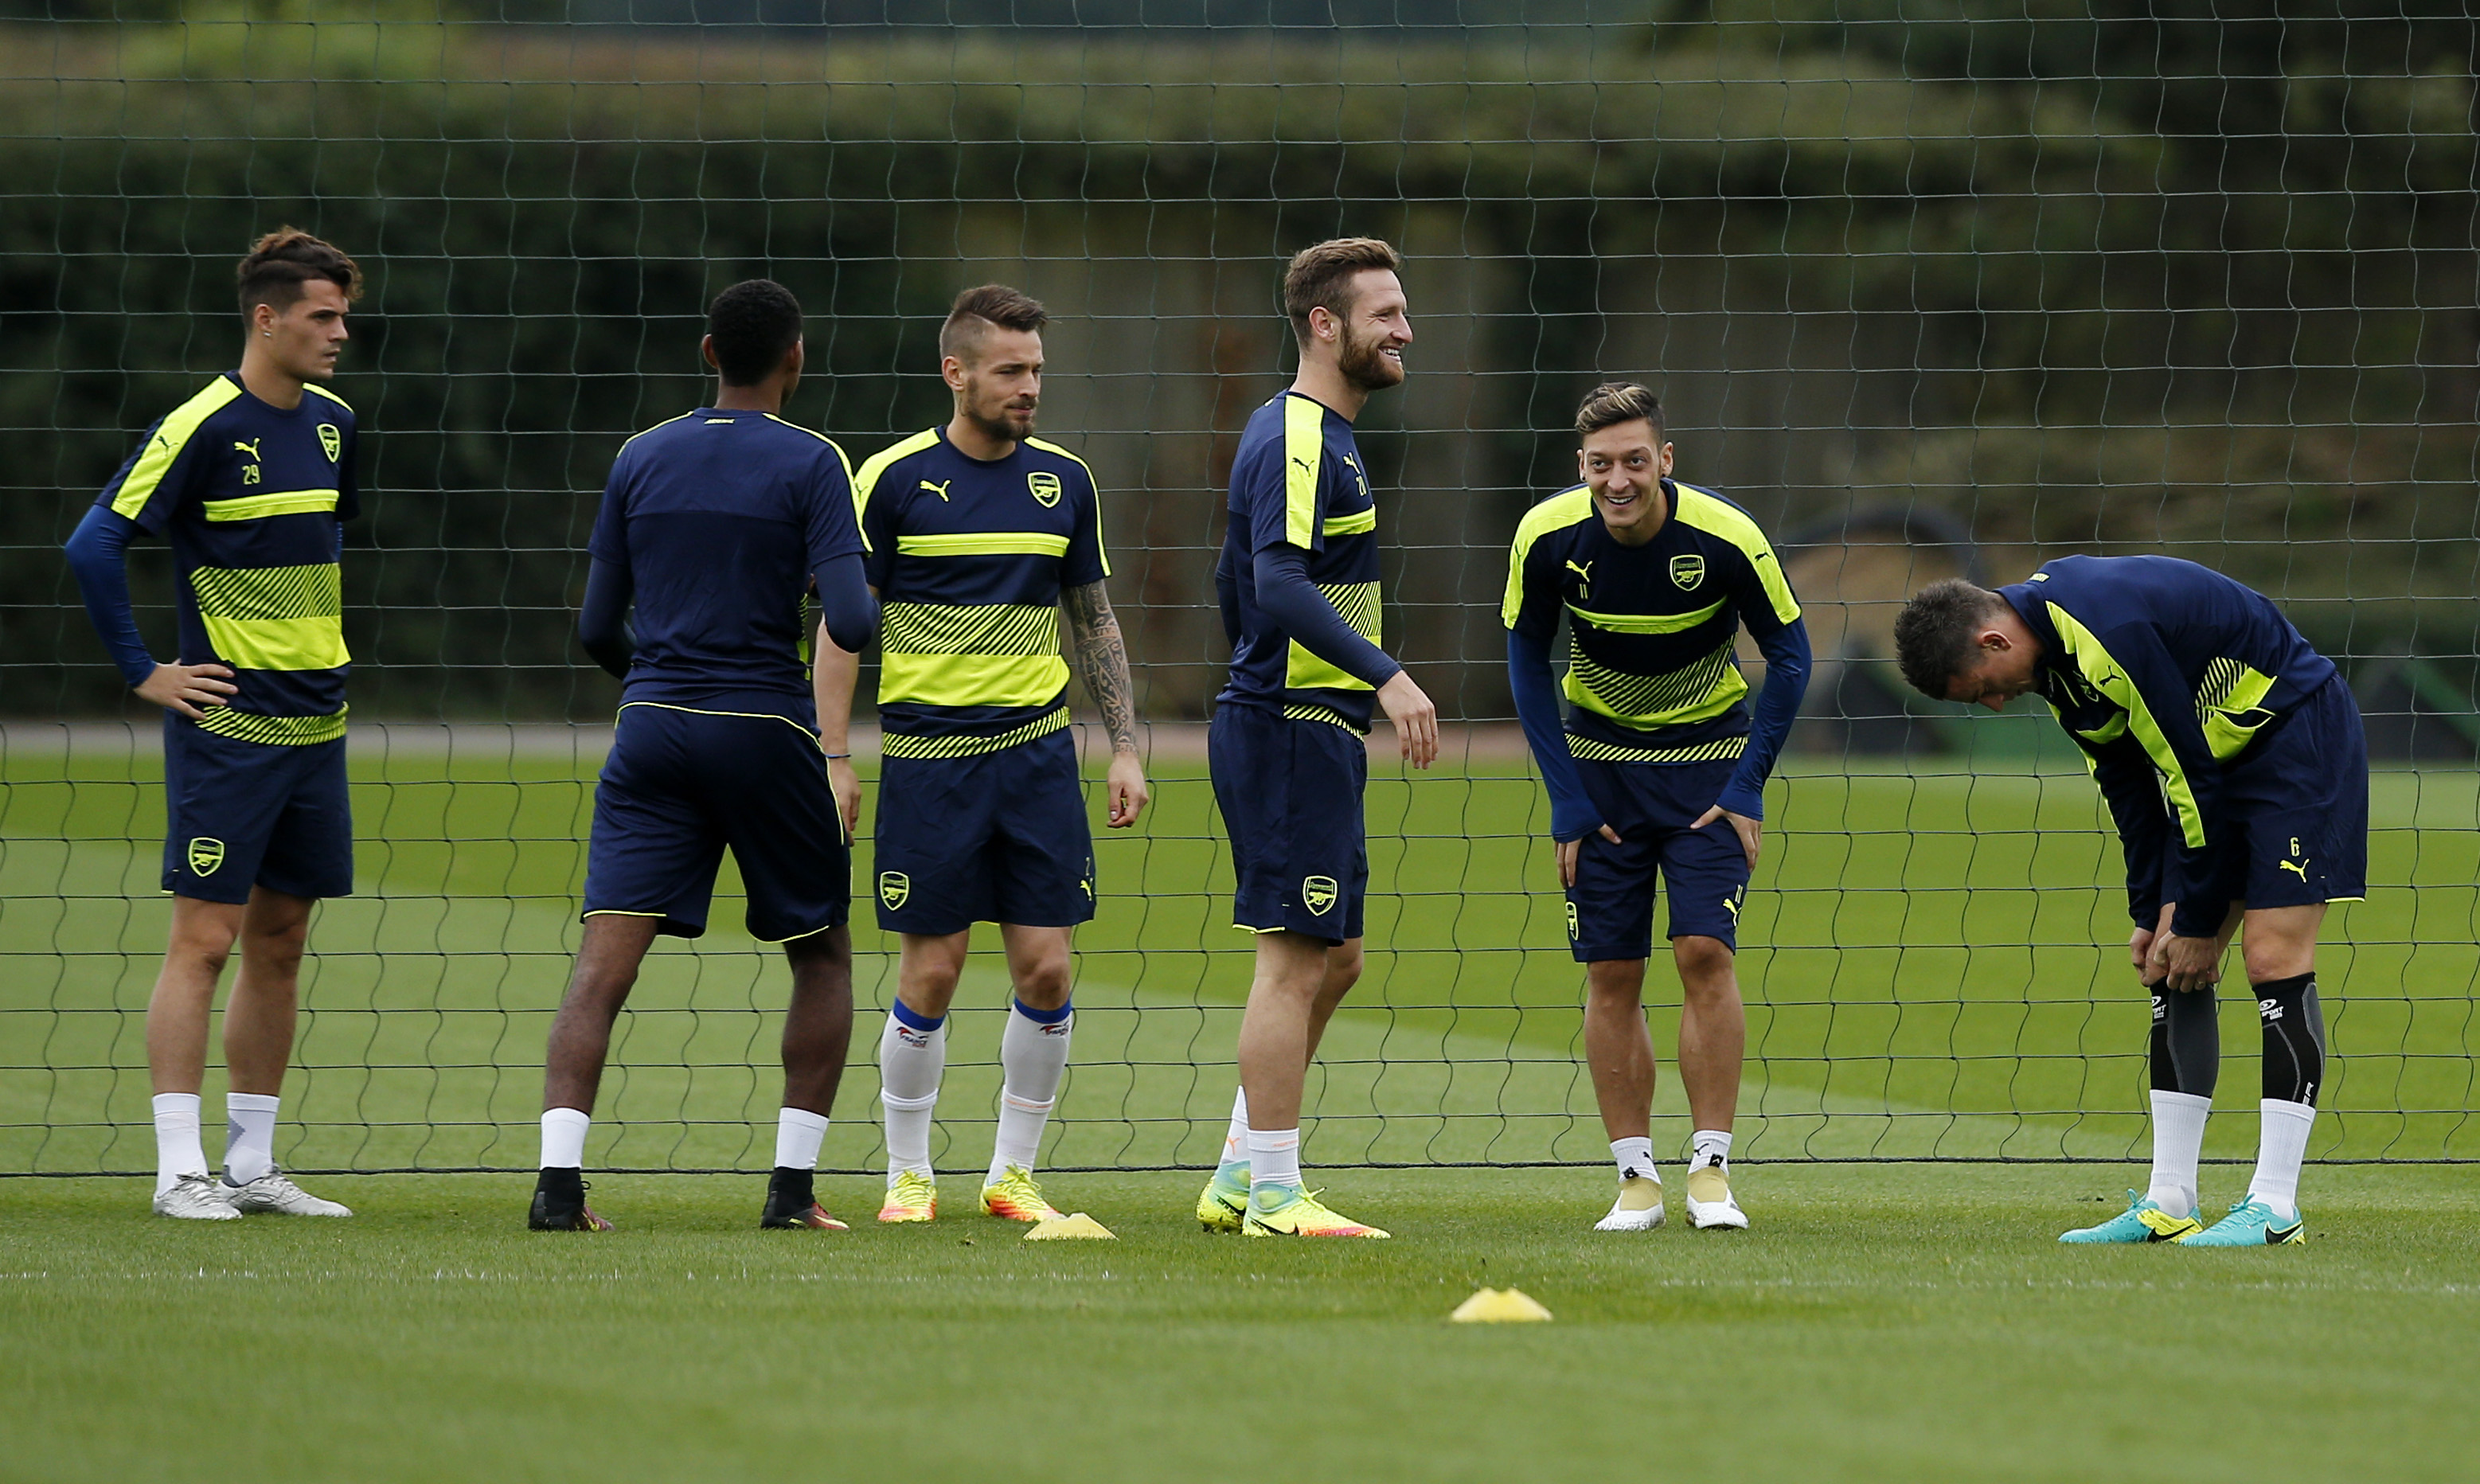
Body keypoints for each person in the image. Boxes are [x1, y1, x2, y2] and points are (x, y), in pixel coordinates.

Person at [529, 279, 879, 1232]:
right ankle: (790, 1192)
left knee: (604, 964)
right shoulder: (814, 462)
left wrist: (657, 679)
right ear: (795, 358)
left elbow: (598, 625)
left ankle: (558, 1190)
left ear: (706, 352)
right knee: (823, 954)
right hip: (765, 729)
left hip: (650, 727)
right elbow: (849, 618)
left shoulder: (640, 456)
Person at [1892, 556, 2361, 1246]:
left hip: (2293, 741)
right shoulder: (2055, 668)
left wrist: (2199, 918)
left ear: (1994, 642)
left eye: (1982, 691)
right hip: (2212, 761)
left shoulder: (2103, 630)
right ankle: (2169, 1200)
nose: (1994, 705)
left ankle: (2275, 1208)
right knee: (2167, 959)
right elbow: (2129, 789)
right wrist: (2154, 913)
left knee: (2269, 955)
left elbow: (2186, 772)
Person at [816, 283, 1149, 1226]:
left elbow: (1093, 618)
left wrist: (1124, 747)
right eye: (1010, 370)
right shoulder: (888, 480)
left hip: (1039, 758)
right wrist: (834, 755)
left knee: (1046, 970)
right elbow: (841, 633)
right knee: (931, 971)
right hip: (929, 762)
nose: (1029, 387)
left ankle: (1012, 1174)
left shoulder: (1065, 481)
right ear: (954, 372)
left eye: (1036, 369)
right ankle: (907, 1173)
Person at [63, 228, 365, 1220]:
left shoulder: (333, 424)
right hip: (228, 731)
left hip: (317, 729)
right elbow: (94, 541)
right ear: (266, 318)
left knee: (282, 937)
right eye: (322, 315)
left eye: (344, 314)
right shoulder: (200, 423)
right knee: (203, 939)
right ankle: (177, 1172)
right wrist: (145, 671)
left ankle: (252, 1165)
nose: (340, 332)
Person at [1503, 382, 1810, 1232]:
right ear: (1581, 467)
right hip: (1598, 772)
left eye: (1634, 461)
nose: (1618, 480)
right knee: (1612, 970)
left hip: (1705, 772)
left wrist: (1746, 784)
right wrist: (1565, 797)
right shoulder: (1545, 535)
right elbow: (1526, 657)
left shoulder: (1724, 537)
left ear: (1664, 461)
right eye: (1600, 465)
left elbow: (1790, 655)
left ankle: (1710, 1169)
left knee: (1705, 951)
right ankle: (1634, 1178)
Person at [1196, 237, 1438, 1239]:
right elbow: (1275, 582)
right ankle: (1279, 1197)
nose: (1405, 331)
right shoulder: (1298, 434)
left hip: (1304, 723)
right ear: (1324, 325)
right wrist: (1385, 674)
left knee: (1336, 960)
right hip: (1290, 725)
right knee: (1293, 963)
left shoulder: (1317, 435)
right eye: (1385, 314)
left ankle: (1236, 1174)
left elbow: (1228, 580)